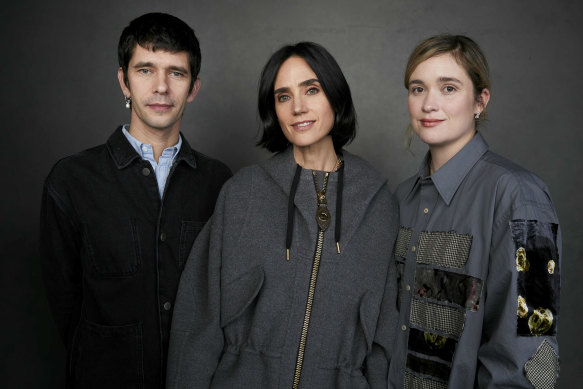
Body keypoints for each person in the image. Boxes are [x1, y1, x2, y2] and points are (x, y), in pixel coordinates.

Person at [166, 42, 399, 388]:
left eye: (312, 90)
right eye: (283, 96)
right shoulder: (242, 193)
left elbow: (385, 338)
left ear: (336, 96)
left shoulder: (379, 205)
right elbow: (198, 317)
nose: (298, 108)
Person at [40, 12, 232, 389]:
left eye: (176, 73)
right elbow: (66, 301)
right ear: (123, 81)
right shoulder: (72, 180)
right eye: (145, 70)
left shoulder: (220, 182)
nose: (161, 87)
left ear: (193, 87)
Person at [388, 34, 561, 388]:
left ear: (480, 101)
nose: (428, 104)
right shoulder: (402, 198)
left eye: (448, 88)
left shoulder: (520, 196)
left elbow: (531, 348)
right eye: (417, 89)